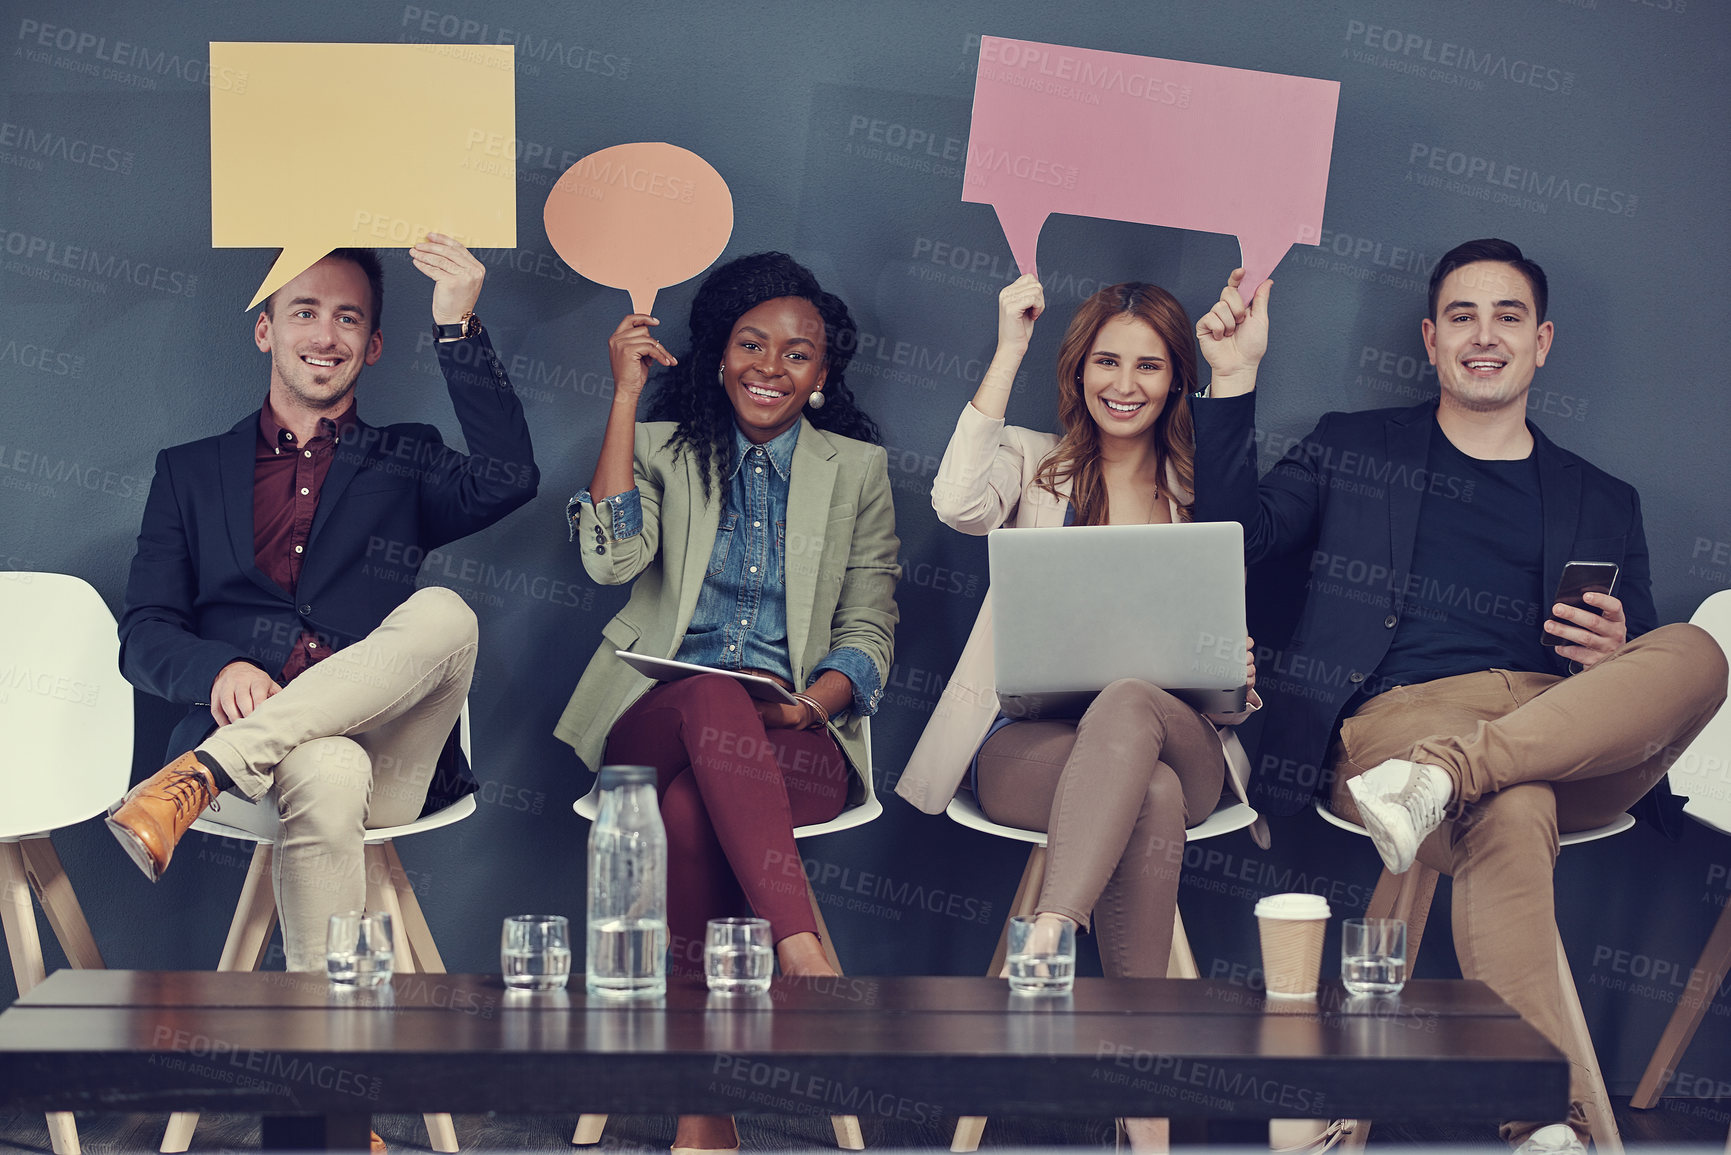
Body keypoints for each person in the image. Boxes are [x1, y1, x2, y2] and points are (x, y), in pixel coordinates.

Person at [1190, 239, 1727, 1152]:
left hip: (1559, 735)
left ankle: (1447, 777)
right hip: (1401, 722)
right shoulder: (1352, 447)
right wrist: (1232, 382)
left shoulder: (1605, 497)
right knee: (1511, 809)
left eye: (1508, 316)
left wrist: (1613, 652)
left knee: (1697, 653)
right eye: (1464, 317)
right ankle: (1540, 1124)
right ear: (1431, 340)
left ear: (1542, 340)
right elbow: (1229, 545)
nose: (1486, 336)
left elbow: (1637, 680)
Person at [109, 238, 539, 977]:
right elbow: (144, 633)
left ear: (371, 347)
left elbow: (509, 478)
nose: (323, 334)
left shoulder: (408, 455)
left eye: (347, 319)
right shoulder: (188, 472)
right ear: (264, 329)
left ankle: (201, 770)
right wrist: (219, 670)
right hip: (273, 757)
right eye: (303, 311)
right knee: (328, 768)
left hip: (394, 749)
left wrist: (455, 325)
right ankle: (328, 1077)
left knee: (445, 611)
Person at [554, 252, 898, 1154]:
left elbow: (869, 633)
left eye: (796, 354)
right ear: (716, 356)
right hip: (654, 724)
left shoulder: (856, 472)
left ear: (823, 377)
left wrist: (808, 704)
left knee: (687, 813)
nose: (769, 368)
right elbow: (609, 563)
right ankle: (800, 949)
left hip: (795, 737)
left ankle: (702, 1114)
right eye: (751, 344)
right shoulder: (665, 452)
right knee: (708, 692)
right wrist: (625, 399)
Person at [898, 271, 1264, 982]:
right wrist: (1009, 349)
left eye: (1148, 365)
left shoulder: (1201, 492)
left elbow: (1225, 671)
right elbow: (956, 503)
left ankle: (1053, 928)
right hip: (1031, 743)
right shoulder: (1034, 462)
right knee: (1148, 793)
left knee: (1129, 700)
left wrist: (1235, 672)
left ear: (1176, 381)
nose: (1124, 383)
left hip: (1182, 736)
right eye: (1106, 360)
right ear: (1078, 368)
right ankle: (1139, 1067)